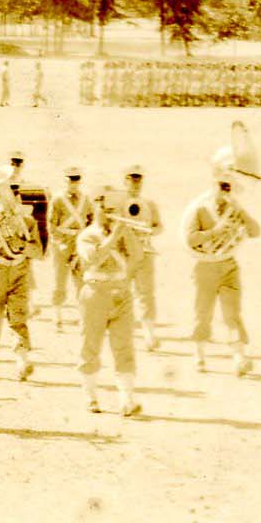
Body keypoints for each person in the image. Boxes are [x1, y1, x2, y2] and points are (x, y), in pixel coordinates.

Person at [181, 150, 260, 375]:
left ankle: (239, 358)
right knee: (203, 313)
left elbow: (255, 231)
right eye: (222, 186)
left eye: (229, 187)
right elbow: (190, 238)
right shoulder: (200, 209)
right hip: (205, 265)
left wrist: (241, 211)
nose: (225, 190)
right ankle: (199, 354)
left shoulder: (235, 210)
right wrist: (214, 231)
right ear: (214, 185)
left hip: (228, 265)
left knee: (232, 314)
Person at [76, 188, 146, 417]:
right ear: (96, 209)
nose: (110, 214)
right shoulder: (87, 235)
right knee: (91, 347)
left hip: (121, 293)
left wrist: (127, 234)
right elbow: (92, 258)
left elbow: (137, 257)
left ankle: (127, 400)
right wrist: (114, 236)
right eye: (105, 210)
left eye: (113, 210)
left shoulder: (121, 232)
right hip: (95, 293)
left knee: (124, 348)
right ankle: (90, 396)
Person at [0, 169, 39, 380]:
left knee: (19, 318)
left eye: (14, 191)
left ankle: (22, 362)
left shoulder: (27, 220)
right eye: (7, 191)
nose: (11, 195)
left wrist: (21, 243)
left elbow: (38, 251)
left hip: (19, 271)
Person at [122, 165, 163, 350]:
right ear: (125, 181)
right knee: (120, 292)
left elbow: (159, 226)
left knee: (146, 294)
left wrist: (150, 230)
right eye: (132, 179)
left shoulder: (150, 204)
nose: (136, 183)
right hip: (123, 254)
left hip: (144, 252)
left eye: (138, 179)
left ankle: (149, 333)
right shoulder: (119, 202)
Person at [47, 166, 91, 331]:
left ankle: (83, 317)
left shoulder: (86, 200)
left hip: (79, 243)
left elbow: (91, 221)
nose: (73, 183)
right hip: (62, 244)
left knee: (81, 282)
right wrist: (60, 242)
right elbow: (51, 224)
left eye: (76, 179)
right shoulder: (58, 200)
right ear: (65, 180)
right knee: (60, 281)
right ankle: (57, 316)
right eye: (70, 179)